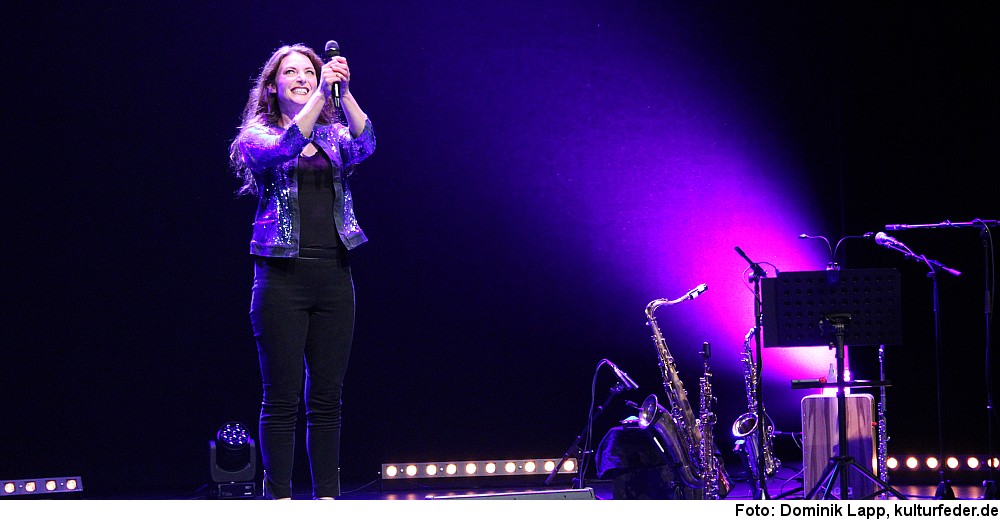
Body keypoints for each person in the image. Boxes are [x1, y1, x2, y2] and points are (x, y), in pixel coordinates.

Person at [228, 43, 376, 499]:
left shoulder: (333, 136)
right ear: (273, 85)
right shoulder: (256, 134)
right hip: (281, 280)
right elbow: (287, 145)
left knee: (327, 399)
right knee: (281, 398)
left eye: (310, 72)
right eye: (291, 72)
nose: (303, 77)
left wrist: (344, 93)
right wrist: (319, 101)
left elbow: (367, 143)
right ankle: (279, 501)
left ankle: (327, 500)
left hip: (334, 274)